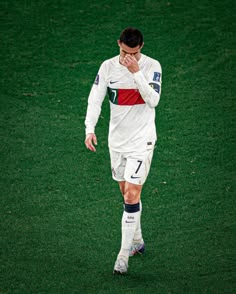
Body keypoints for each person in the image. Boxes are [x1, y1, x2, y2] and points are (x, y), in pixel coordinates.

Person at [84, 27, 162, 275]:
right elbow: (95, 98)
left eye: (134, 53)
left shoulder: (151, 66)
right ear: (118, 44)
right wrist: (89, 128)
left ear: (141, 47)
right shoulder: (107, 67)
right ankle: (137, 242)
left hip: (142, 141)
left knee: (130, 195)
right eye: (124, 52)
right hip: (117, 142)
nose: (129, 57)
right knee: (125, 193)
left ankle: (122, 257)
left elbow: (153, 100)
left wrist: (136, 72)